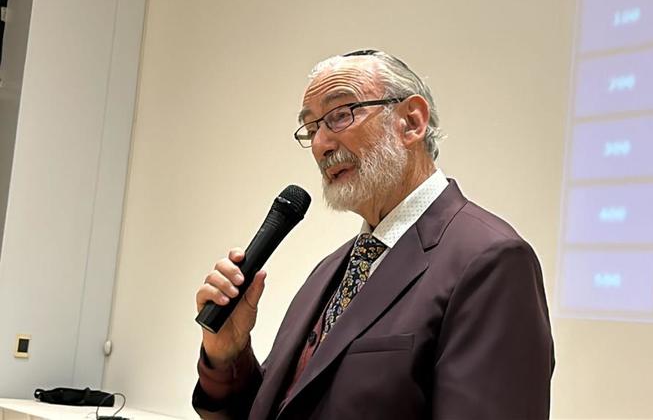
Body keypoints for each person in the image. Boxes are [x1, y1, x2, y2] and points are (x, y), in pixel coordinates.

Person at [192, 49, 554, 420]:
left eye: (340, 115)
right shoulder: (331, 269)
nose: (320, 145)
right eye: (312, 129)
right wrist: (228, 356)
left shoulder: (491, 261)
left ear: (411, 122)